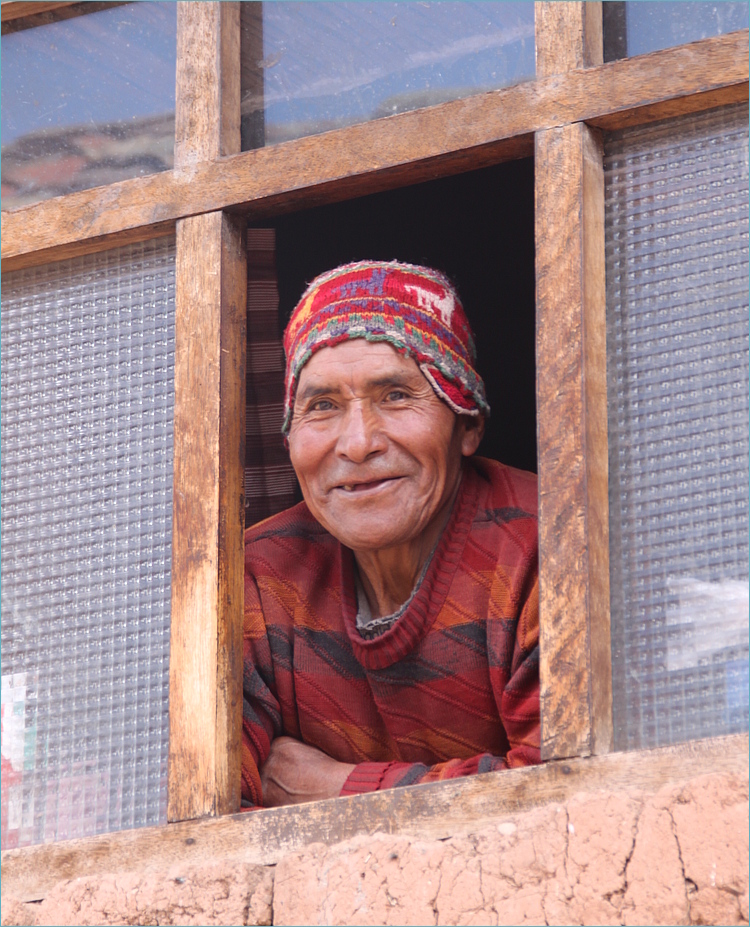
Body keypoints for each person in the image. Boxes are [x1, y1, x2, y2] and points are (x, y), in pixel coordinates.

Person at [241, 260, 540, 808]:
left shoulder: (548, 547)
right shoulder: (259, 575)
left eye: (396, 396)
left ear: (467, 423)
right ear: (289, 441)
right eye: (322, 406)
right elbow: (205, 794)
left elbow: (570, 794)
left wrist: (336, 788)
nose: (357, 443)